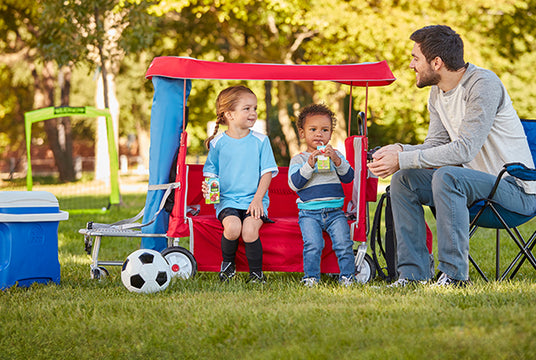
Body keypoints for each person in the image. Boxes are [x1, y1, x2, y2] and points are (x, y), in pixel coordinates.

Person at [367, 25, 536, 287]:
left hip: (516, 191)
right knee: (404, 180)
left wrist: (402, 157)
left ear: (436, 62)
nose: (411, 65)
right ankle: (414, 275)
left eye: (415, 58)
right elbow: (435, 144)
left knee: (447, 176)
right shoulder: (437, 94)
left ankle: (455, 276)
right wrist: (399, 151)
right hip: (477, 190)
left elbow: (464, 149)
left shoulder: (483, 85)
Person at [202, 85, 278, 283]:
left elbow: (267, 173)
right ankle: (227, 266)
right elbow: (211, 173)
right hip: (227, 201)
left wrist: (258, 200)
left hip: (256, 200)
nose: (253, 113)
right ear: (229, 114)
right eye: (247, 108)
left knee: (250, 230)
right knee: (234, 228)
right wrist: (208, 187)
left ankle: (256, 274)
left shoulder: (261, 141)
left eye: (255, 108)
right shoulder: (218, 143)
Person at [288, 103, 356, 287]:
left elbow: (349, 177)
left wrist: (336, 159)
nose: (319, 134)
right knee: (313, 245)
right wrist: (309, 165)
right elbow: (294, 184)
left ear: (331, 134)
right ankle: (311, 277)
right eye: (313, 129)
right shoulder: (299, 159)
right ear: (302, 133)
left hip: (335, 212)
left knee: (344, 244)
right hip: (309, 214)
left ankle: (348, 276)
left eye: (325, 130)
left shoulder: (335, 155)